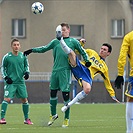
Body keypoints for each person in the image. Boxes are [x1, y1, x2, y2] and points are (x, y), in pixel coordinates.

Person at [23, 23, 90, 127]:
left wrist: (87, 61)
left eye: (63, 30)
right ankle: (53, 115)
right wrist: (32, 50)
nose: (62, 32)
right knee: (52, 93)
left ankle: (66, 119)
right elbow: (44, 48)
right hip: (55, 71)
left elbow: (82, 51)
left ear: (68, 30)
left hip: (65, 71)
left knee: (65, 95)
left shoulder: (73, 41)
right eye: (60, 31)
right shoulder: (55, 41)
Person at [55, 30, 120, 113]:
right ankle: (61, 40)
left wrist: (112, 95)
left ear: (108, 53)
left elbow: (107, 82)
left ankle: (68, 105)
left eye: (104, 50)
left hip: (87, 76)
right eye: (101, 48)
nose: (102, 50)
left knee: (87, 89)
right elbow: (79, 51)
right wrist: (81, 43)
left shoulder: (104, 68)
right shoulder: (92, 52)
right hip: (80, 67)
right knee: (72, 53)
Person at [0, 38, 33, 125]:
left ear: (20, 46)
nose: (16, 46)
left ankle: (26, 119)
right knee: (6, 99)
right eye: (14, 45)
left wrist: (27, 73)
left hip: (20, 82)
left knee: (24, 100)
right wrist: (6, 77)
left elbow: (27, 66)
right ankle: (2, 118)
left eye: (18, 45)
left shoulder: (23, 56)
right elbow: (2, 67)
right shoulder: (7, 57)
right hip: (11, 83)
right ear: (11, 46)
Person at [114, 31, 133, 133]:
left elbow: (122, 56)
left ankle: (129, 130)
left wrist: (120, 73)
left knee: (130, 99)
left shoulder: (129, 36)